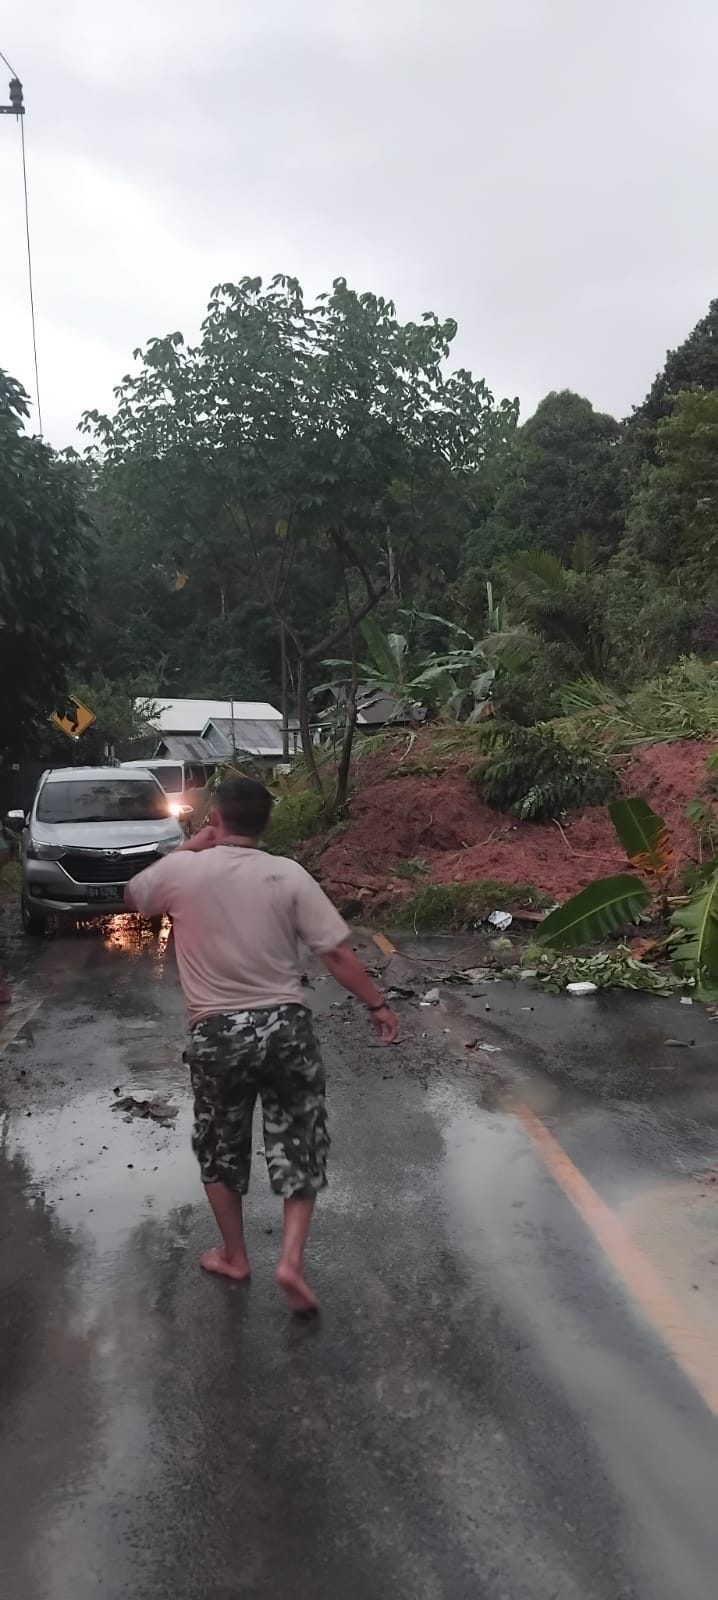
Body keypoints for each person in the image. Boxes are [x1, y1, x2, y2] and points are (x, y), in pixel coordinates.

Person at [126, 776, 398, 1313]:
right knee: (300, 1141)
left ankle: (235, 1255)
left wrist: (189, 848)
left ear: (216, 820)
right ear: (264, 824)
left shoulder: (184, 871)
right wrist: (377, 1005)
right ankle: (291, 1261)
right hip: (286, 1028)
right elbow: (337, 954)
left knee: (220, 1147)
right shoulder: (288, 873)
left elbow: (134, 897)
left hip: (217, 1033)